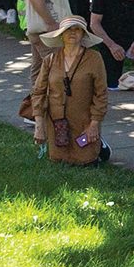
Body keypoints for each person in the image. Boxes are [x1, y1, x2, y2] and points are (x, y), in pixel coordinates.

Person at [29, 15, 109, 167]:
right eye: (68, 30)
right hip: (56, 124)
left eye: (77, 30)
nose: (72, 33)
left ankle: (100, 146)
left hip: (84, 123)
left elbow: (101, 94)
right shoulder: (51, 59)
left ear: (83, 34)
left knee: (86, 158)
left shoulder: (94, 58)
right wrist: (39, 126)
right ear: (61, 35)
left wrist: (94, 124)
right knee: (59, 160)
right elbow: (38, 92)